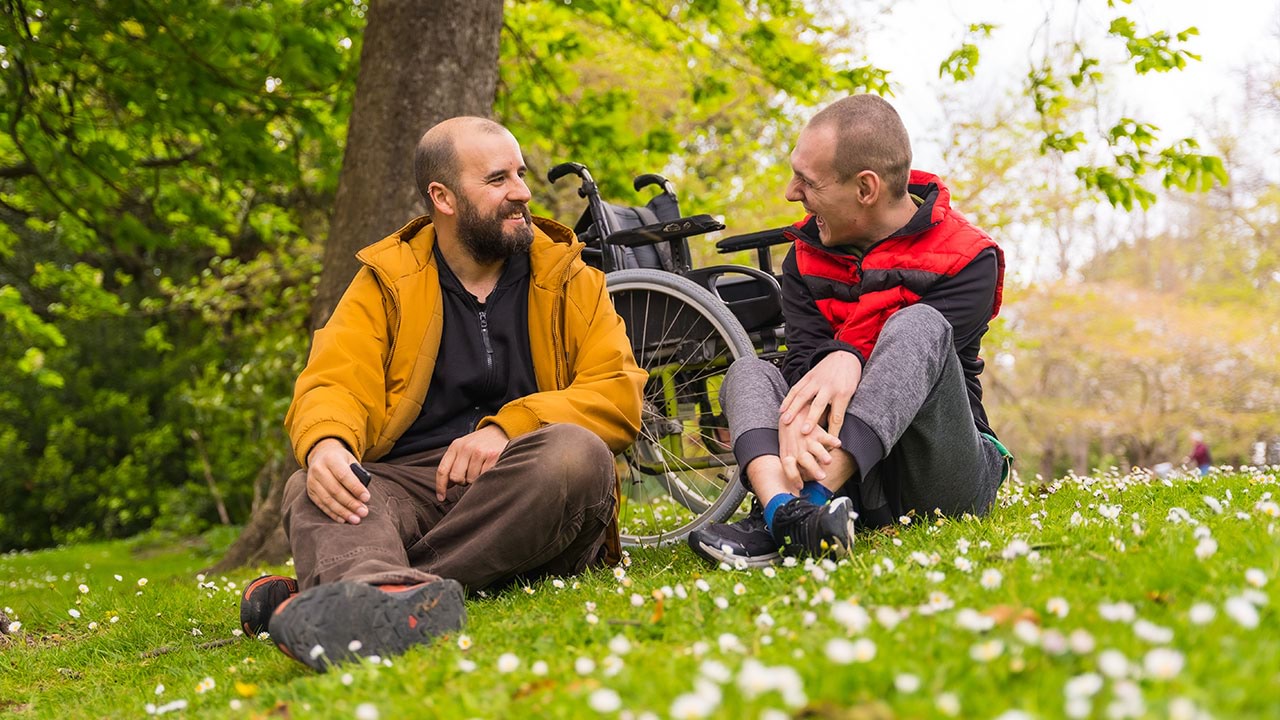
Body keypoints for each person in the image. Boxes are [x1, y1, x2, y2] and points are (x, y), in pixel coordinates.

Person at [239, 117, 645, 671]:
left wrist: (509, 427)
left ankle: (364, 586)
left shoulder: (571, 277)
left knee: (577, 454)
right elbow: (334, 377)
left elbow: (618, 394)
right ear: (443, 197)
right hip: (410, 485)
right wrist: (328, 444)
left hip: (523, 484)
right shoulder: (386, 278)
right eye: (498, 179)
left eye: (520, 174)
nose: (523, 193)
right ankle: (379, 596)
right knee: (317, 482)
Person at [689, 95, 1011, 566]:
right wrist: (829, 362)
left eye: (808, 181)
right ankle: (784, 511)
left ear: (865, 188)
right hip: (857, 486)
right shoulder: (803, 256)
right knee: (750, 372)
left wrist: (846, 357)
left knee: (918, 324)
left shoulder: (970, 259)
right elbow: (803, 368)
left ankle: (803, 509)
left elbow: (909, 362)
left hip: (940, 478)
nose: (790, 193)